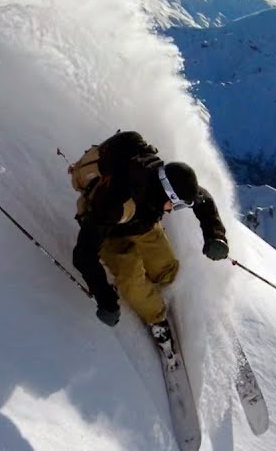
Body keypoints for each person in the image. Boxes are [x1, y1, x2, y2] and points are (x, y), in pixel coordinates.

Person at [70, 131, 229, 348]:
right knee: (132, 280)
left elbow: (203, 200)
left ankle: (167, 285)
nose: (174, 210)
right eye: (175, 204)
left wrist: (215, 235)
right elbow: (83, 255)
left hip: (143, 222)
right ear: (166, 195)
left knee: (165, 267)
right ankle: (157, 319)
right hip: (111, 234)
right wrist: (105, 298)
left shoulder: (162, 184)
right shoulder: (114, 203)